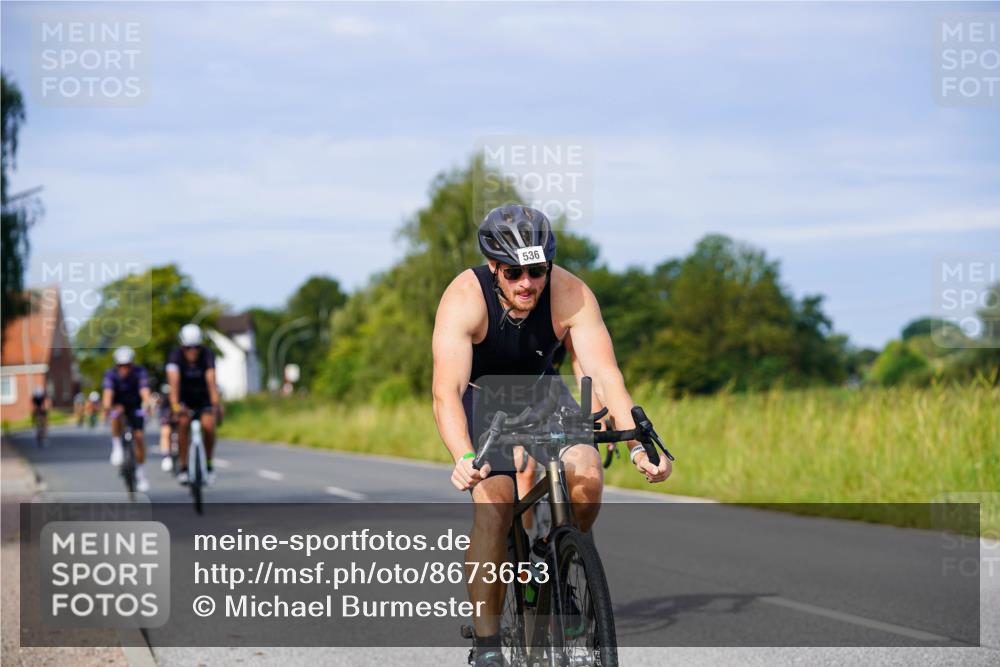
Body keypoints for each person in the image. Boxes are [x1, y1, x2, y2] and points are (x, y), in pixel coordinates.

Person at [431, 205, 671, 666]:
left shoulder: (571, 293)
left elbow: (605, 373)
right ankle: (486, 647)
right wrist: (463, 455)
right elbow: (447, 391)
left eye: (536, 270)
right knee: (495, 506)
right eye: (514, 272)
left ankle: (557, 559)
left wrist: (636, 442)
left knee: (588, 478)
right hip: (483, 400)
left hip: (544, 394)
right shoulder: (465, 297)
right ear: (494, 268)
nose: (527, 283)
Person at [166, 324, 221, 485]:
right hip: (183, 397)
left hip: (202, 396)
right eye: (188, 348)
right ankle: (183, 467)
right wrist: (175, 406)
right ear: (182, 347)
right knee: (183, 423)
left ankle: (209, 465)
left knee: (209, 426)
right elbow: (174, 382)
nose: (192, 351)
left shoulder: (207, 354)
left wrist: (215, 403)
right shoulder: (175, 356)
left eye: (195, 347)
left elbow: (211, 379)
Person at [103, 346, 152, 491]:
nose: (124, 368)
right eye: (121, 365)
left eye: (127, 365)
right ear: (116, 365)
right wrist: (108, 407)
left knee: (139, 437)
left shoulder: (139, 372)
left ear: (132, 364)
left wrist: (148, 403)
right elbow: (108, 394)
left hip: (135, 406)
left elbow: (144, 391)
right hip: (118, 406)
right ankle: (117, 447)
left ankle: (141, 473)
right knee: (116, 415)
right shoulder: (110, 374)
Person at [157, 383, 175, 472]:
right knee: (165, 432)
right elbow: (161, 409)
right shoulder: (164, 399)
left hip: (178, 415)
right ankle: (166, 457)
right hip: (166, 415)